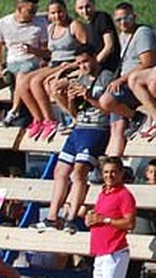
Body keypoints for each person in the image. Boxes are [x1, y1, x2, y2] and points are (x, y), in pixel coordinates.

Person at [36, 45, 113, 234]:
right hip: (79, 128)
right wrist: (69, 99)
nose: (83, 66)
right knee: (60, 171)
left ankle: (70, 218)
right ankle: (52, 217)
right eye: (79, 63)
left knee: (79, 172)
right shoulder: (81, 77)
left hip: (97, 129)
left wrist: (88, 97)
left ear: (95, 57)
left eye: (85, 61)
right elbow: (76, 113)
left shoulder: (107, 77)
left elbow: (109, 108)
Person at [97, 2, 156, 157]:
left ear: (134, 17)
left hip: (137, 84)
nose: (123, 23)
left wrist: (121, 80)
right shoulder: (122, 36)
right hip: (124, 84)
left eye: (127, 18)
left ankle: (138, 118)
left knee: (106, 100)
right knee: (116, 128)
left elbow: (148, 62)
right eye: (118, 20)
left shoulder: (142, 32)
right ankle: (114, 165)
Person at [86, 156, 136, 278]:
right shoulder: (103, 193)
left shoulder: (124, 194)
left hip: (114, 249)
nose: (109, 175)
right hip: (102, 249)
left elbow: (129, 222)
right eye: (106, 172)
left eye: (113, 172)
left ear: (121, 173)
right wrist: (92, 219)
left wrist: (105, 220)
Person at [18, 0, 86, 140]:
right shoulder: (51, 29)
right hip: (54, 63)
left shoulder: (74, 26)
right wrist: (33, 51)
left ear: (66, 11)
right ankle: (38, 119)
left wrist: (74, 63)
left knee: (37, 81)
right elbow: (50, 53)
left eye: (60, 11)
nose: (57, 16)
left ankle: (51, 119)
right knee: (23, 82)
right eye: (53, 13)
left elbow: (86, 48)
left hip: (68, 63)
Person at [0, 0, 48, 133]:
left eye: (35, 10)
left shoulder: (39, 24)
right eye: (30, 11)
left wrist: (33, 50)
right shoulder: (2, 24)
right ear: (19, 8)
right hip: (11, 63)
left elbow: (46, 52)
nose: (34, 14)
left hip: (30, 63)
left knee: (21, 75)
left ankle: (14, 110)